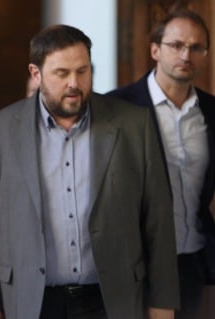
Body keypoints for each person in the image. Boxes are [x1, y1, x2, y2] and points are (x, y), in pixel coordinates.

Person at [0, 25, 179, 319]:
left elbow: (159, 220)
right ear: (35, 74)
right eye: (61, 73)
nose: (74, 83)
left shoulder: (133, 125)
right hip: (30, 302)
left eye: (83, 70)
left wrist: (162, 304)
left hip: (112, 301)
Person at [106, 9, 215, 319]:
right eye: (176, 45)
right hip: (135, 262)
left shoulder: (211, 111)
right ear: (155, 49)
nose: (186, 54)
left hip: (190, 259)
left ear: (205, 54)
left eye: (196, 47)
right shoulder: (116, 108)